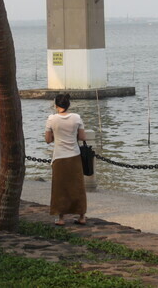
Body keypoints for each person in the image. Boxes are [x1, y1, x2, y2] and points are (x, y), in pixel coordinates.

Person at [44, 92, 87, 226]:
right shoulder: (76, 118)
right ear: (68, 104)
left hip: (59, 157)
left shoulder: (52, 119)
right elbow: (82, 137)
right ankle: (81, 216)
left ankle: (61, 218)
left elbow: (47, 140)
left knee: (59, 187)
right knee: (77, 186)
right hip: (74, 155)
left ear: (56, 105)